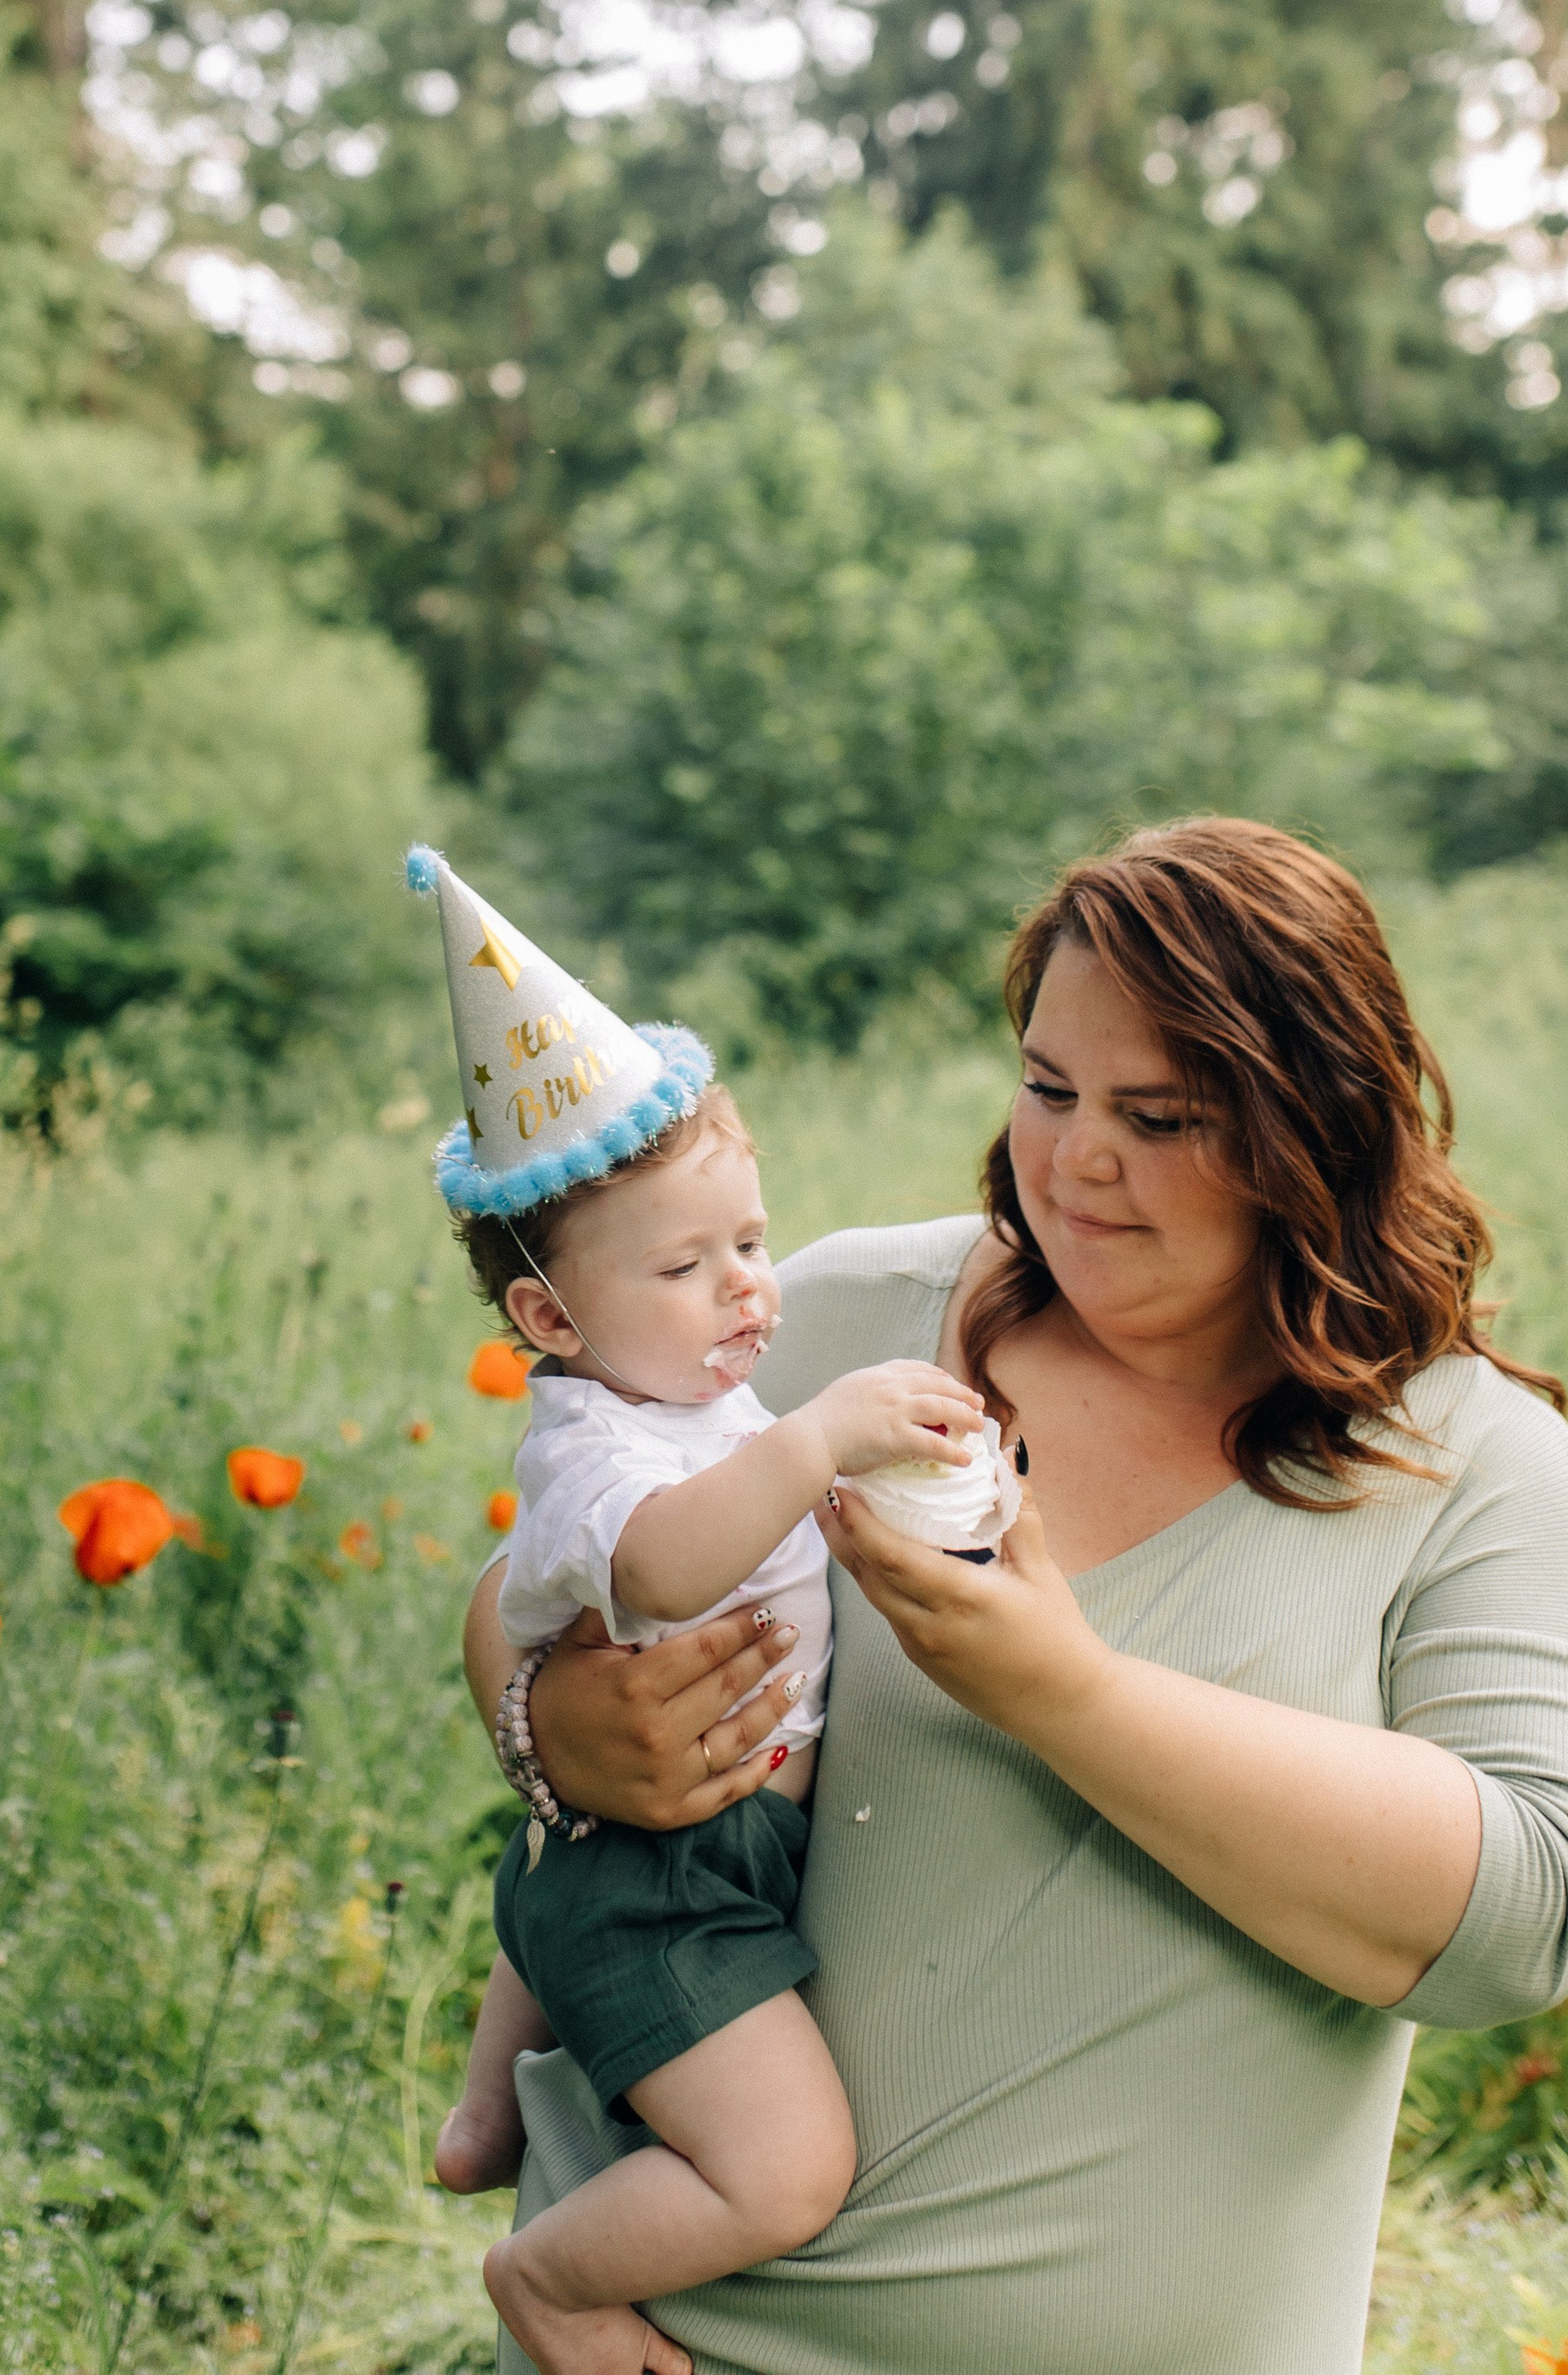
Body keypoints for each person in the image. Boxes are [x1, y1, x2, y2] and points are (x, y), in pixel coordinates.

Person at [465, 820, 1568, 2375]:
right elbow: (531, 1585)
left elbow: (1536, 1917)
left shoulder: (1471, 1459)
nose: (1077, 1158)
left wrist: (1060, 1689)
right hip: (669, 2339)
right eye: (1048, 1086)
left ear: (1320, 1129)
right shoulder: (832, 1319)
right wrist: (551, 1722)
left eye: (1157, 1114)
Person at [406, 844, 992, 2375]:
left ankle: (482, 2112)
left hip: (611, 1844)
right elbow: (665, 1566)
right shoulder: (597, 1445)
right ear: (551, 1318)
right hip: (673, 1875)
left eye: (749, 1239)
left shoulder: (685, 1390)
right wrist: (818, 1443)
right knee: (785, 2171)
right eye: (687, 1263)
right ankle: (547, 2280)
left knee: (556, 1875)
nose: (748, 1287)